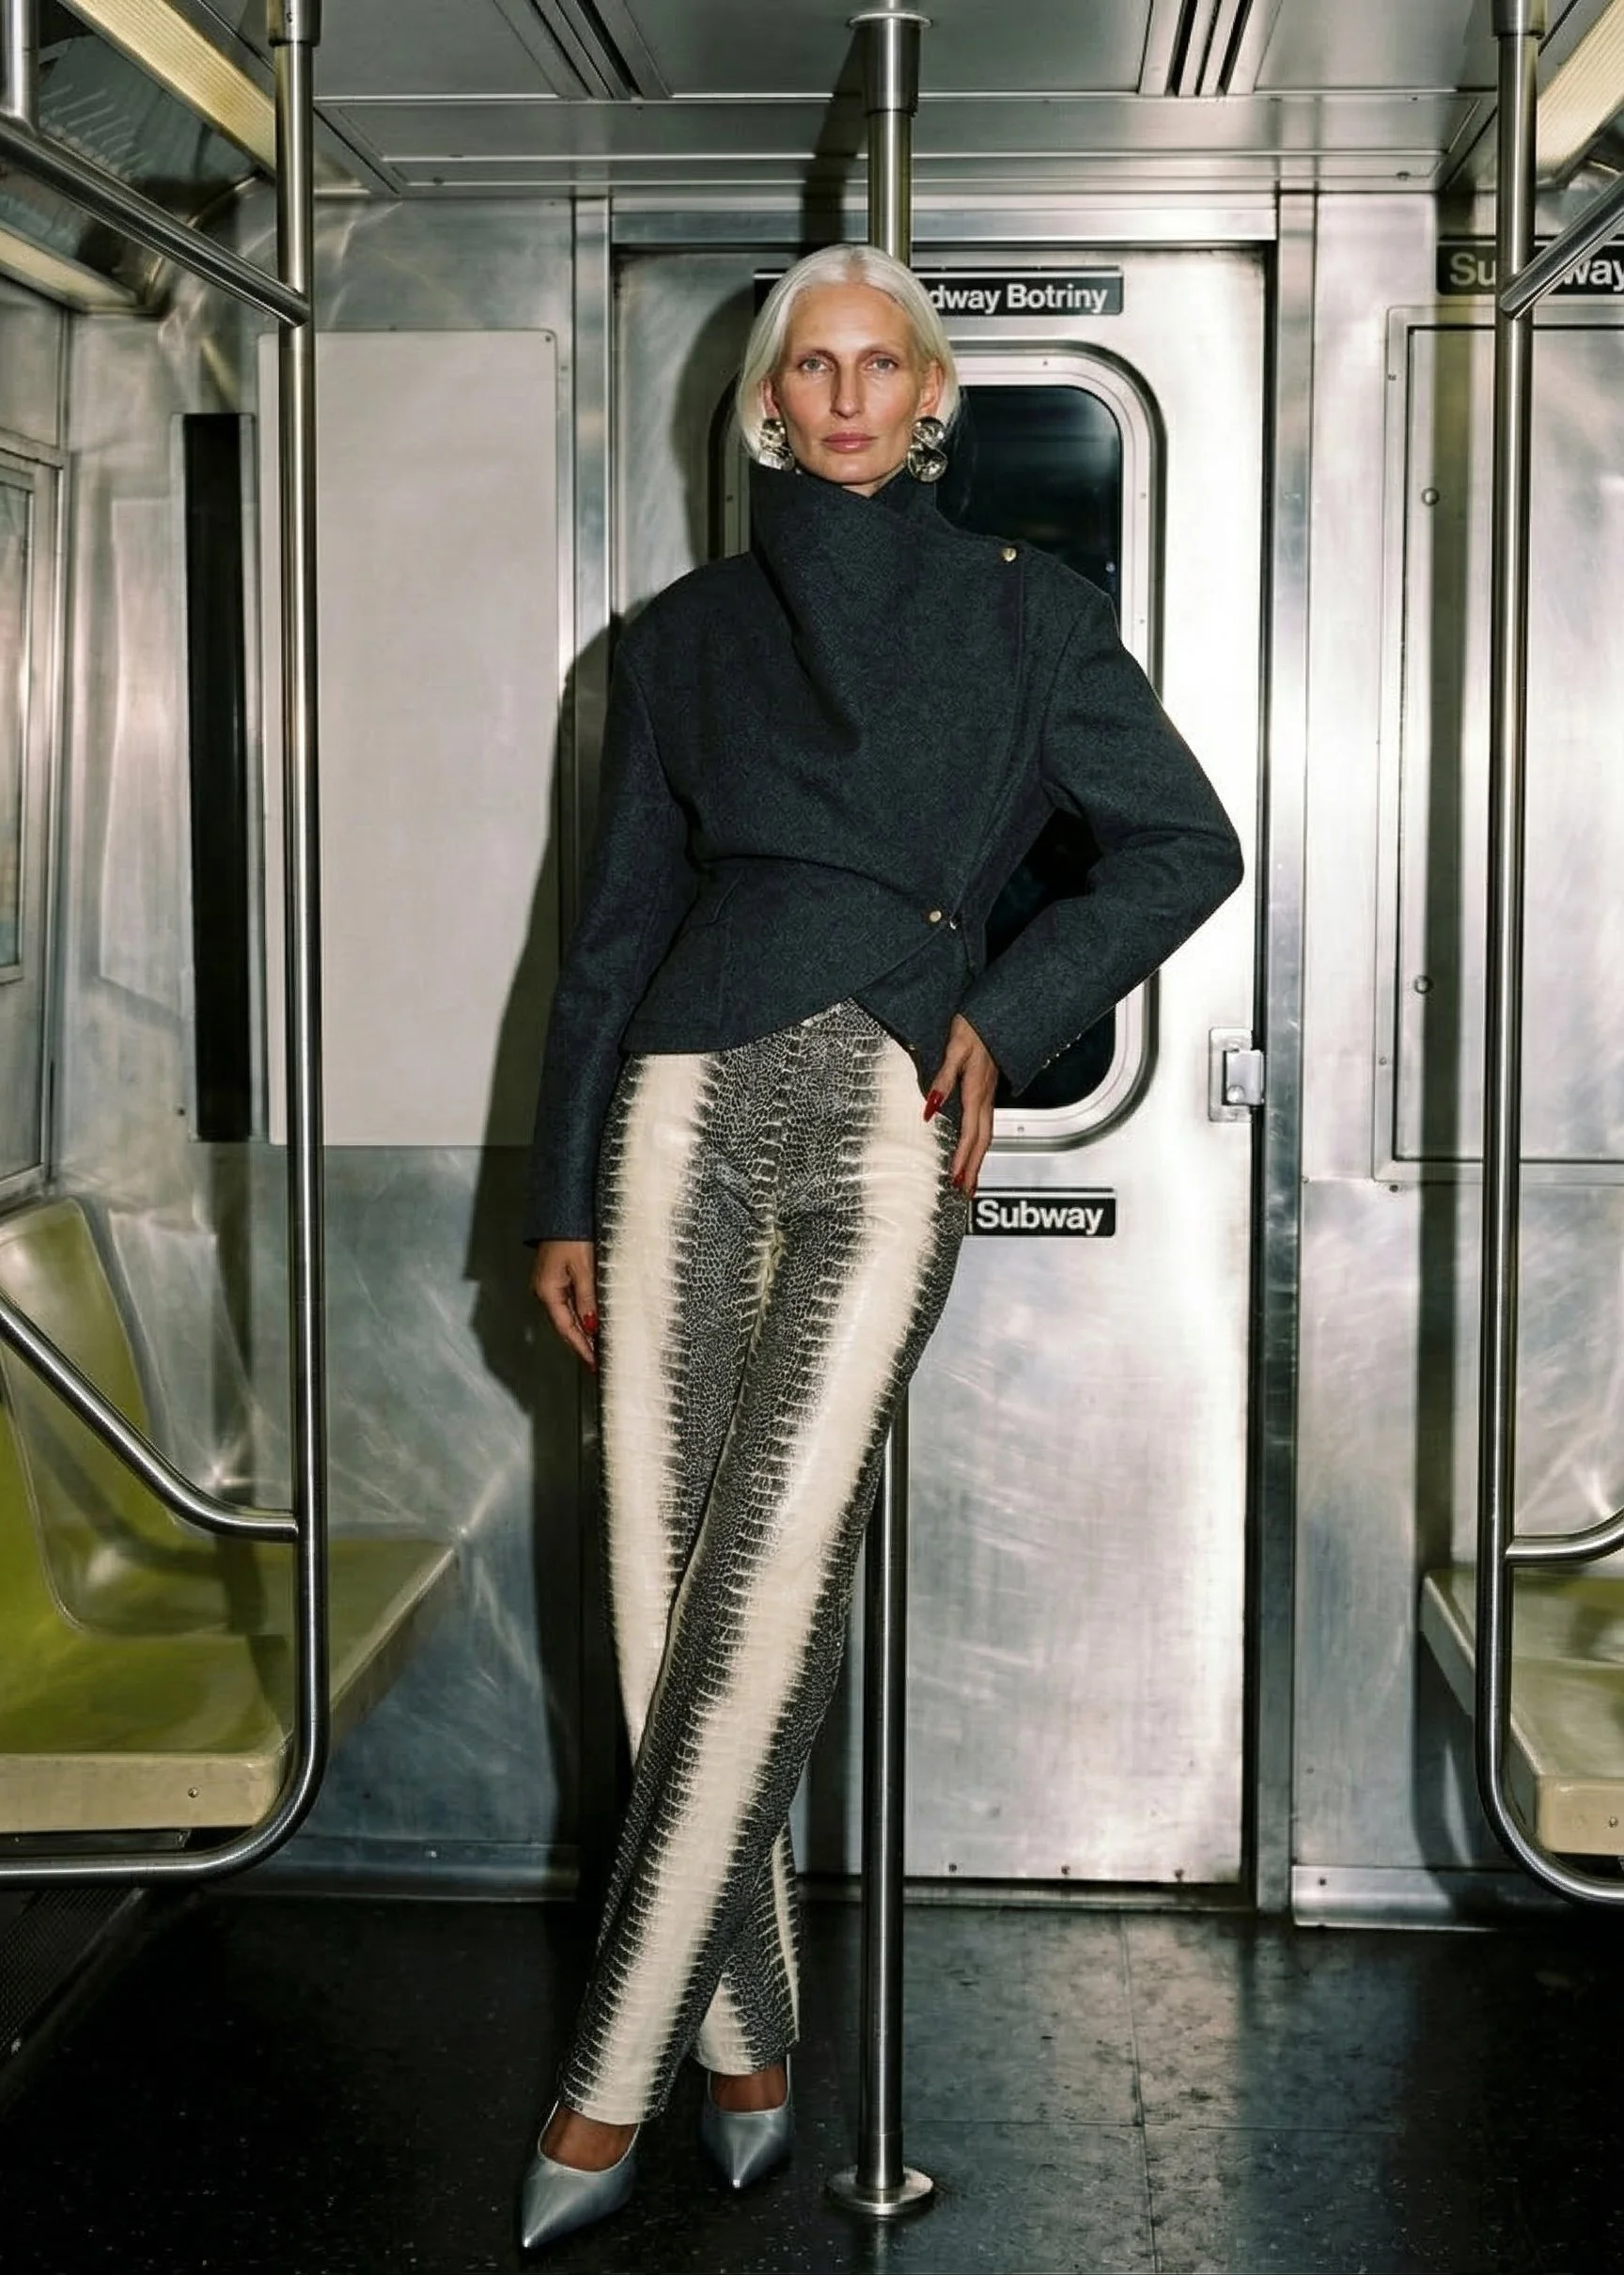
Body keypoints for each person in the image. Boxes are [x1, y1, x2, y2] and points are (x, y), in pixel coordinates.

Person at [517, 241, 1242, 2254]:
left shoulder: (1031, 614)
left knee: (762, 1575)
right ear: (767, 404)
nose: (842, 394)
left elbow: (1187, 845)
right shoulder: (674, 646)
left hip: (883, 1115)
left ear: (936, 402)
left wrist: (1004, 1019)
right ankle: (749, 2043)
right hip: (674, 1113)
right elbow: (604, 947)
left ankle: (605, 2075)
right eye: (806, 366)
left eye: (878, 365)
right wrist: (562, 1193)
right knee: (664, 1612)